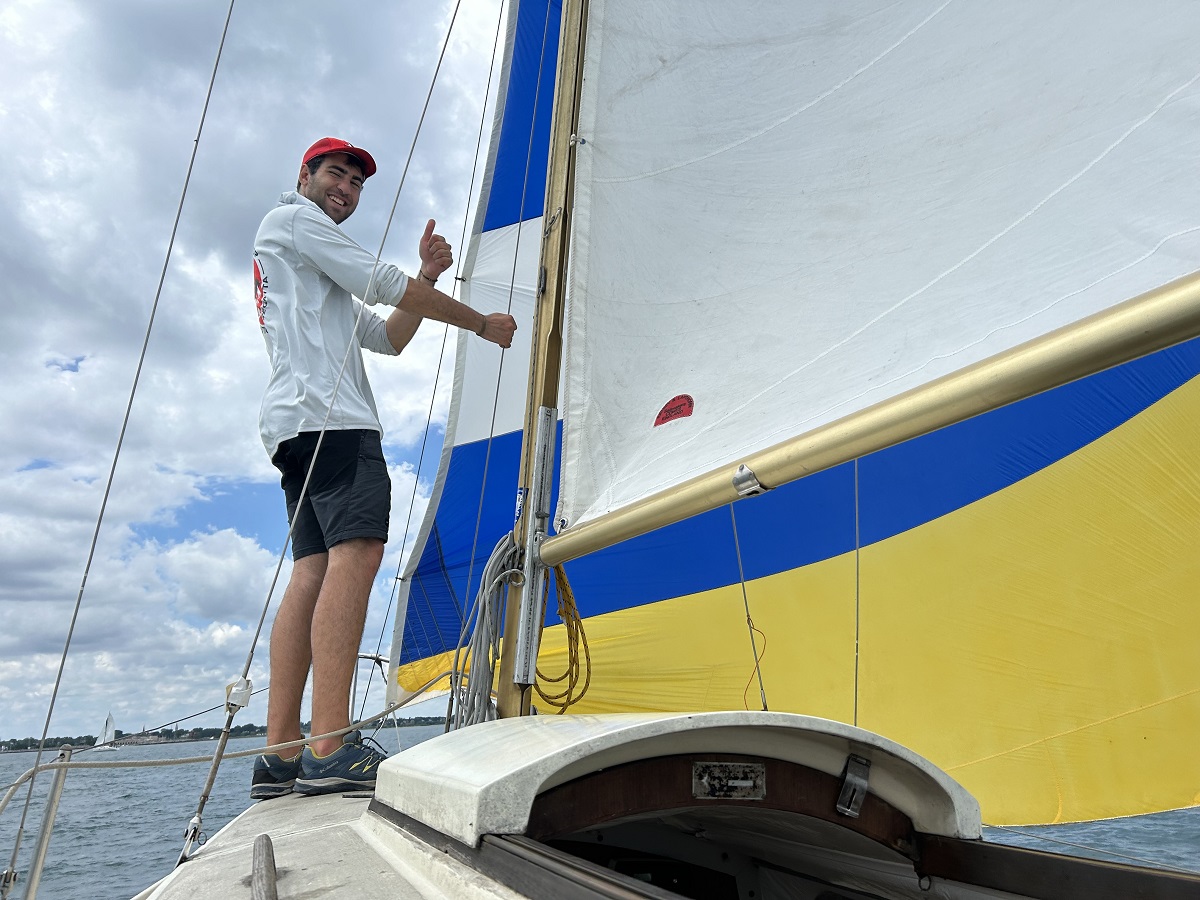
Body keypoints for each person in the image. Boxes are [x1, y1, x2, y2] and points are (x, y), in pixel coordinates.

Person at [249, 137, 516, 799]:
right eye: (335, 173)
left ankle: (280, 754)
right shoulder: (295, 221)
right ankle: (330, 746)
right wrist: (481, 324)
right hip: (333, 422)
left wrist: (427, 280)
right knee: (358, 553)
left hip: (295, 426)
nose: (346, 188)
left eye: (356, 182)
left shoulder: (308, 261)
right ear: (304, 175)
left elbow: (389, 336)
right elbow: (384, 282)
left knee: (312, 570)